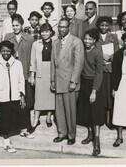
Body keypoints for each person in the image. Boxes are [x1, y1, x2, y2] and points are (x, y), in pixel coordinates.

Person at [51, 18, 84, 145]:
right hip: (58, 81)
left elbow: (78, 63)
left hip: (69, 81)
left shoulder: (76, 42)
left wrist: (74, 81)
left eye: (64, 27)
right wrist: (52, 80)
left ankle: (71, 135)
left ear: (68, 27)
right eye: (60, 27)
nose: (62, 29)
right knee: (59, 110)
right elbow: (53, 64)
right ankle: (62, 133)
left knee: (70, 111)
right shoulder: (55, 42)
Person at [0, 41, 26, 153]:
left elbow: (21, 80)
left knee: (13, 117)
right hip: (1, 96)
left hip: (14, 96)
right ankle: (6, 142)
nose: (5, 52)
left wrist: (22, 95)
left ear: (12, 51)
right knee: (3, 118)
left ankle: (16, 133)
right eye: (3, 50)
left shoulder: (17, 63)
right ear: (0, 51)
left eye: (8, 50)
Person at [4, 13, 35, 138]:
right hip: (11, 75)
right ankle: (14, 127)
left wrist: (32, 74)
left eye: (17, 25)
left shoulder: (29, 38)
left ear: (22, 25)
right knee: (12, 101)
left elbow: (33, 58)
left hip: (25, 74)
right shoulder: (7, 37)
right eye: (13, 25)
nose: (15, 27)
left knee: (25, 103)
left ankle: (25, 128)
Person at [76, 28, 104, 156]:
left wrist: (94, 91)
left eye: (90, 39)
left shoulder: (97, 52)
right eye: (85, 38)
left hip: (94, 85)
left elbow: (99, 73)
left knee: (95, 115)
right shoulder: (82, 49)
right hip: (84, 83)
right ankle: (90, 135)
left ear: (94, 40)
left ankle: (97, 142)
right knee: (87, 112)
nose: (87, 41)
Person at [29, 23, 56, 131]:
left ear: (50, 32)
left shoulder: (55, 43)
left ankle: (49, 116)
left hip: (51, 71)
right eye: (43, 31)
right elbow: (33, 61)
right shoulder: (36, 44)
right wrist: (32, 75)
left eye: (47, 31)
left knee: (51, 95)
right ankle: (36, 119)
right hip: (40, 71)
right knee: (39, 96)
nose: (45, 33)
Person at [96, 16, 119, 129]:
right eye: (101, 25)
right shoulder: (96, 36)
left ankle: (110, 119)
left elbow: (117, 52)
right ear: (98, 26)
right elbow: (94, 51)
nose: (104, 27)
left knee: (110, 95)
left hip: (110, 70)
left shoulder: (113, 37)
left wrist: (111, 58)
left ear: (109, 26)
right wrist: (101, 58)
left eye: (106, 25)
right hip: (100, 70)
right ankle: (101, 118)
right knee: (101, 94)